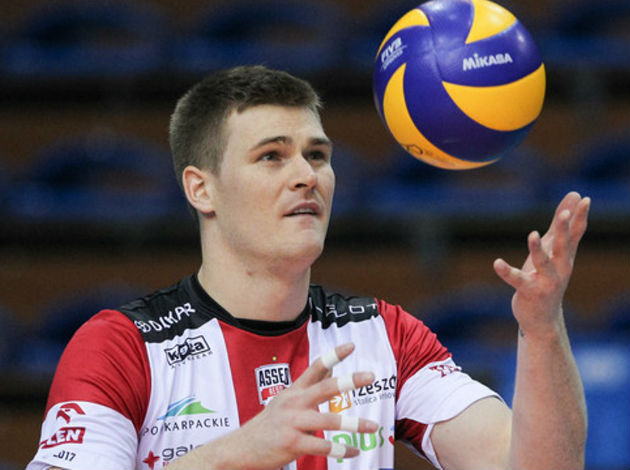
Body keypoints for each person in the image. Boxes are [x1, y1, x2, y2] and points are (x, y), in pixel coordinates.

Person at [28, 65, 589, 470]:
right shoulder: (122, 347)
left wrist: (542, 330)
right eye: (272, 156)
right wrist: (236, 453)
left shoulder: (383, 335)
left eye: (317, 155)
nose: (306, 176)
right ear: (201, 189)